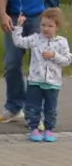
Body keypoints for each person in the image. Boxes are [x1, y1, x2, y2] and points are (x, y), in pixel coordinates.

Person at [11, 8, 69, 142]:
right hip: (35, 81)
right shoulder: (36, 39)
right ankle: (34, 128)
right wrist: (18, 26)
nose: (46, 29)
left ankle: (49, 129)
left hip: (53, 83)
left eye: (50, 26)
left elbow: (67, 60)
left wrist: (54, 56)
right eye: (43, 25)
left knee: (50, 108)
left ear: (57, 27)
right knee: (33, 107)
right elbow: (19, 42)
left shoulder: (62, 42)